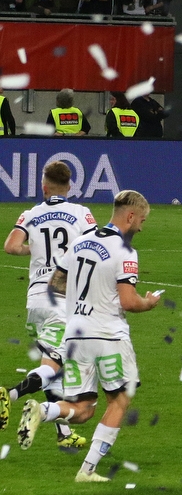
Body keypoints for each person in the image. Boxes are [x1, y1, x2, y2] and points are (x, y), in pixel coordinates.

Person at [16, 190, 160, 482]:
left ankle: (43, 410)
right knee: (119, 401)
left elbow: (56, 284)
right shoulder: (125, 251)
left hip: (75, 335)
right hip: (108, 335)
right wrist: (149, 303)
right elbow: (130, 302)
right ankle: (88, 470)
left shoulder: (80, 242)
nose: (141, 227)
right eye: (141, 221)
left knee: (83, 409)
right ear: (130, 216)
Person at [0, 161, 95, 448]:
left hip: (35, 302)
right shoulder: (81, 213)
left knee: (54, 364)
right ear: (70, 187)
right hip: (63, 300)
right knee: (55, 366)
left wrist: (35, 250)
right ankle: (11, 394)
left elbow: (11, 246)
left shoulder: (31, 214)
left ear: (44, 187)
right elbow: (93, 249)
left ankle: (64, 435)